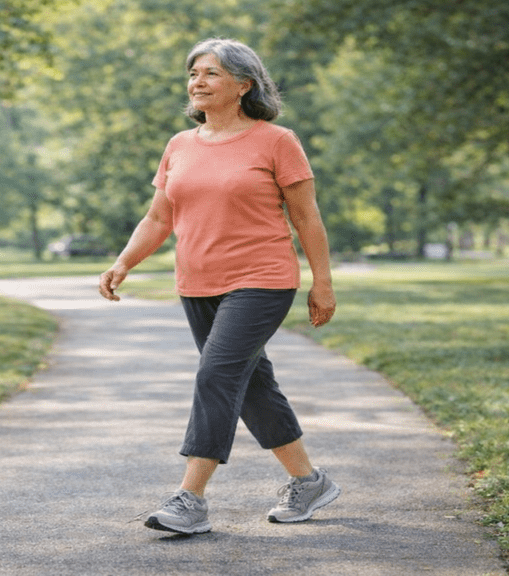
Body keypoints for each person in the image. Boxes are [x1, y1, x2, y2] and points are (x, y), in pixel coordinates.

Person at [98, 37, 340, 534]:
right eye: (193, 74)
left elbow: (307, 218)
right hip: (196, 282)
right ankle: (309, 481)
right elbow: (158, 216)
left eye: (210, 73)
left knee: (216, 375)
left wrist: (323, 283)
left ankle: (190, 498)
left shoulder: (276, 141)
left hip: (263, 279)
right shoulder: (179, 146)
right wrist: (124, 262)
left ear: (243, 84)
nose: (197, 82)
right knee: (251, 385)